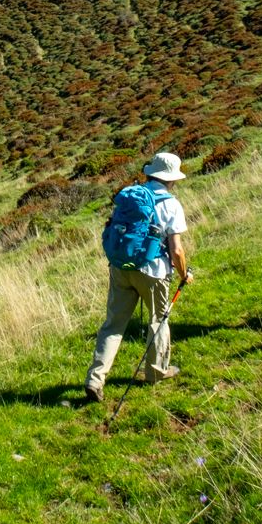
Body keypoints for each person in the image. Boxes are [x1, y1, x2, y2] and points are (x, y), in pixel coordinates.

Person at [85, 152, 193, 403]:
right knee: (158, 320)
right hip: (153, 272)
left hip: (121, 267)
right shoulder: (171, 204)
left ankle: (95, 379)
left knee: (113, 325)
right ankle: (156, 372)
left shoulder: (132, 195)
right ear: (171, 179)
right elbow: (176, 249)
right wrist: (184, 274)